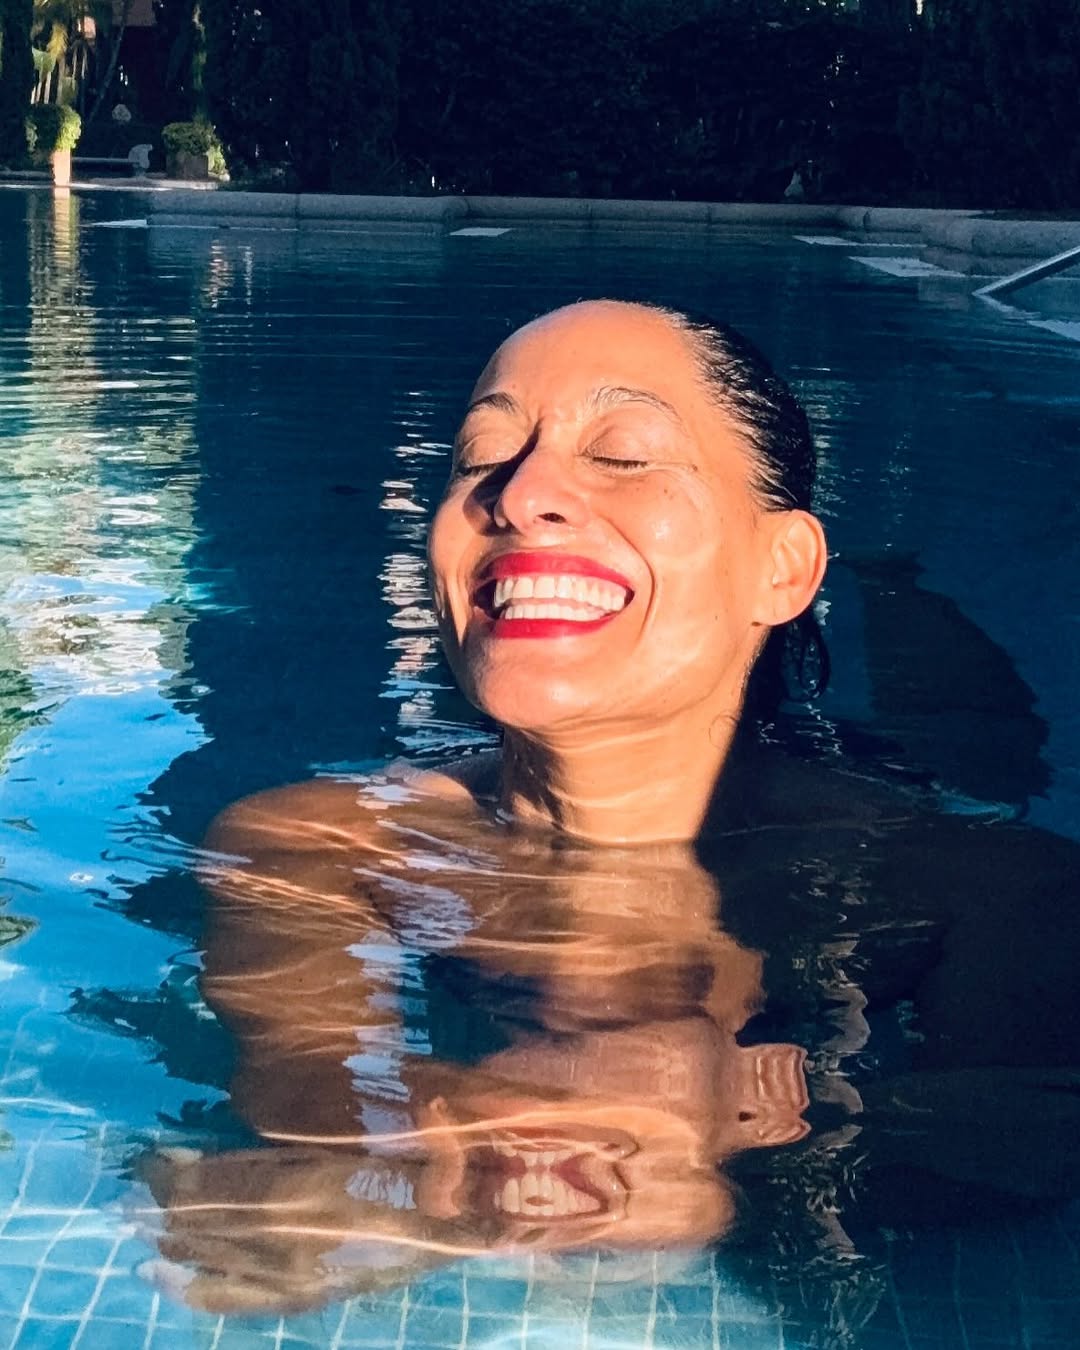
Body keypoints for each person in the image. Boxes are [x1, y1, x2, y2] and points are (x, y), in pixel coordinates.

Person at [140, 301, 1080, 1327]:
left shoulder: (985, 881)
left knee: (973, 735)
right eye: (480, 457)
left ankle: (896, 591)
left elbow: (1012, 1141)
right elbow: (313, 1097)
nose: (520, 495)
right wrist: (664, 1144)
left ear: (782, 568)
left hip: (872, 781)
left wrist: (638, 1164)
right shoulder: (314, 844)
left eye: (624, 455)